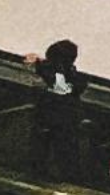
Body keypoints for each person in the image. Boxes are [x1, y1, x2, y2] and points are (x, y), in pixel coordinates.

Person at [28, 38, 92, 187]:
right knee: (59, 147)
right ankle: (62, 174)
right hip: (61, 116)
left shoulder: (55, 72)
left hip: (55, 116)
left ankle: (59, 174)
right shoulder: (72, 76)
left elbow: (60, 87)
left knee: (57, 147)